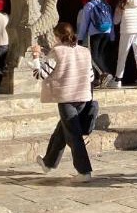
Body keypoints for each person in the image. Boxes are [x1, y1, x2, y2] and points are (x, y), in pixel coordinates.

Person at [35, 22, 97, 182]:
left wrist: (36, 57)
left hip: (67, 99)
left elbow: (39, 74)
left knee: (73, 136)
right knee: (62, 131)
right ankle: (48, 162)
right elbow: (91, 77)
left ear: (57, 36)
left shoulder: (57, 52)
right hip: (83, 97)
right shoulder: (85, 51)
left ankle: (84, 172)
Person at [76, 0, 114, 86]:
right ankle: (104, 78)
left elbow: (84, 23)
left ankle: (106, 74)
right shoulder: (106, 5)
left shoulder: (89, 5)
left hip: (95, 33)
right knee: (101, 55)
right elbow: (111, 21)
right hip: (107, 32)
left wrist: (80, 37)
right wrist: (112, 36)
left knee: (93, 56)